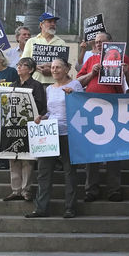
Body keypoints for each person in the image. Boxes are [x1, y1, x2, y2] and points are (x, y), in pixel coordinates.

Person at [76, 32, 129, 202]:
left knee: (113, 152)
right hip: (91, 110)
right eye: (95, 42)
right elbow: (78, 82)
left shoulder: (123, 58)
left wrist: (126, 73)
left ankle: (114, 190)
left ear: (111, 42)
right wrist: (91, 74)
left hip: (114, 110)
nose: (98, 45)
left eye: (102, 42)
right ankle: (91, 190)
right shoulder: (91, 60)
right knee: (91, 151)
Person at [26, 57, 82, 218]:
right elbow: (51, 111)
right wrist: (42, 117)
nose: (54, 70)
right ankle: (41, 208)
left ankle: (70, 207)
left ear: (66, 69)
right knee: (44, 171)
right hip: (50, 133)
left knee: (69, 171)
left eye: (58, 67)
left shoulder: (75, 85)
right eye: (52, 67)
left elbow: (84, 105)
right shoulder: (49, 89)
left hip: (68, 133)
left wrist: (73, 96)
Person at [2, 57, 46, 202]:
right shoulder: (12, 85)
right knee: (13, 157)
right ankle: (15, 190)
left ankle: (26, 190)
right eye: (18, 65)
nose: (19, 67)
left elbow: (40, 105)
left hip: (29, 125)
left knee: (27, 159)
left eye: (23, 65)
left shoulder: (36, 85)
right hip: (13, 126)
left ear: (31, 69)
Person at [21, 12, 67, 85]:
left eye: (54, 22)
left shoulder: (61, 43)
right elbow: (24, 62)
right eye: (49, 22)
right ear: (41, 25)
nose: (53, 24)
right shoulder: (31, 41)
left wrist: (52, 68)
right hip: (35, 83)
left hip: (56, 84)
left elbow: (66, 66)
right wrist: (35, 67)